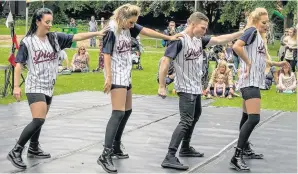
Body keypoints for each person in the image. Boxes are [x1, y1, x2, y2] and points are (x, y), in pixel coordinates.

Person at [7, 8, 108, 170]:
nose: (50, 25)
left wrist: (96, 34)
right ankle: (16, 150)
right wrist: (16, 86)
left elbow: (77, 36)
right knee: (38, 119)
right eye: (47, 22)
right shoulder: (28, 42)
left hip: (49, 85)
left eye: (51, 22)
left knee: (41, 119)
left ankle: (33, 148)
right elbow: (18, 64)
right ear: (37, 21)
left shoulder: (55, 38)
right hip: (35, 85)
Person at [96, 4, 182, 173]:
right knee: (118, 112)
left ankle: (115, 146)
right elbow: (105, 54)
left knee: (127, 111)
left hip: (125, 72)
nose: (132, 25)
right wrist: (108, 77)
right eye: (131, 22)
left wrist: (169, 38)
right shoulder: (111, 30)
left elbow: (147, 31)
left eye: (134, 23)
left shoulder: (129, 27)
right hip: (116, 73)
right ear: (122, 18)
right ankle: (105, 154)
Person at [158, 11, 244, 170]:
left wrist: (241, 33)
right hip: (185, 87)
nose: (205, 31)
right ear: (192, 25)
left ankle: (185, 147)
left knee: (196, 115)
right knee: (185, 121)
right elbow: (165, 61)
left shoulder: (199, 40)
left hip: (196, 86)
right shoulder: (179, 40)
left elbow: (219, 39)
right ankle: (169, 156)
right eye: (203, 28)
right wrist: (162, 85)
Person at [231, 8, 287, 171]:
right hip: (249, 81)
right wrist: (247, 63)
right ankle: (236, 156)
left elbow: (261, 59)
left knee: (246, 116)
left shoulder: (258, 37)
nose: (266, 25)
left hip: (253, 80)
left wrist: (277, 64)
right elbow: (237, 46)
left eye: (267, 22)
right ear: (255, 21)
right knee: (254, 118)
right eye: (263, 22)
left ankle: (245, 149)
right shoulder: (251, 31)